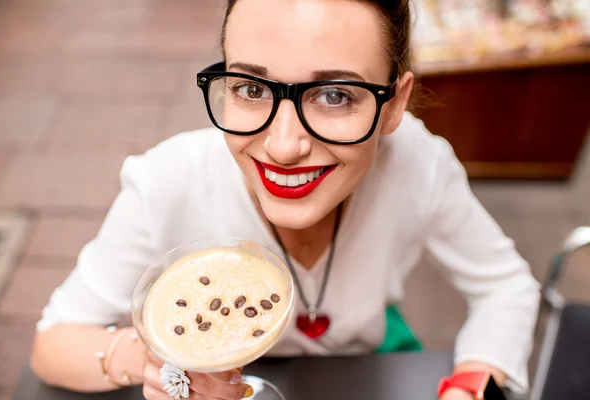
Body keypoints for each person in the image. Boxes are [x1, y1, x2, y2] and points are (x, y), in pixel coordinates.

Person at [30, 0, 541, 399]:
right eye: (251, 88)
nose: (283, 146)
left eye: (335, 95)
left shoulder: (419, 165)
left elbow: (505, 287)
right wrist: (141, 359)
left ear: (395, 105)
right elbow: (53, 343)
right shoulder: (168, 182)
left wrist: (473, 380)